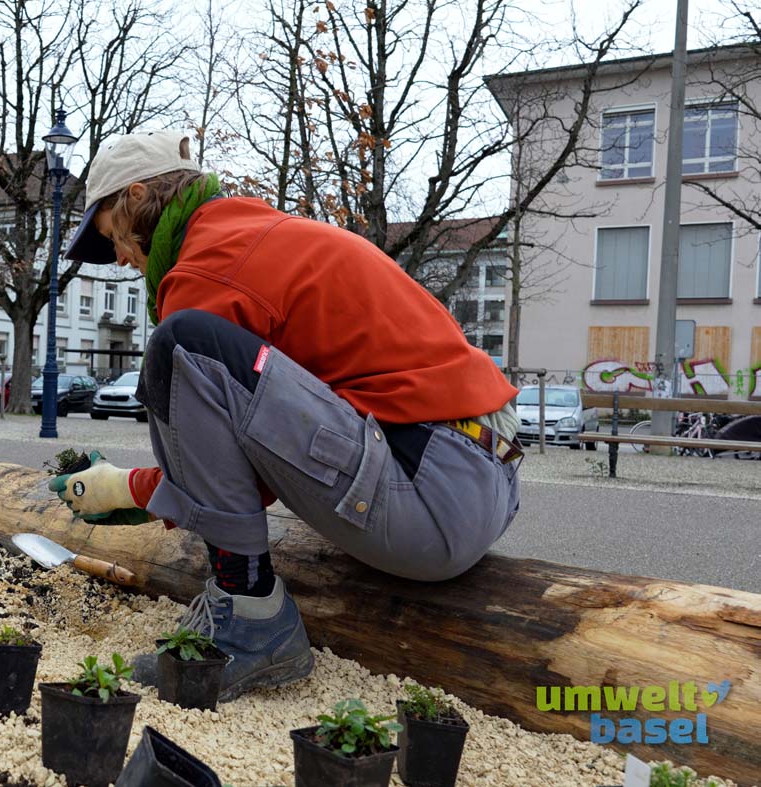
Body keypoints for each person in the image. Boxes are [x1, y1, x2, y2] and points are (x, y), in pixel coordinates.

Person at [48, 130, 522, 702]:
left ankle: (251, 619)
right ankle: (249, 610)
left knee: (181, 345)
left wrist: (126, 489)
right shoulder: (252, 235)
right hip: (477, 475)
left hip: (430, 496)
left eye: (113, 239)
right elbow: (268, 452)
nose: (121, 260)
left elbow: (237, 481)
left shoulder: (204, 271)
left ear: (139, 198)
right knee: (194, 346)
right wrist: (143, 491)